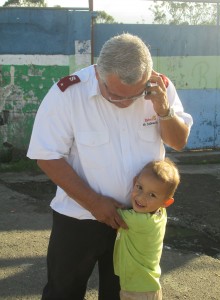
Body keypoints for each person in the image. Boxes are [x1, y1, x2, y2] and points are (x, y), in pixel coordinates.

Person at [27, 33, 193, 299]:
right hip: (78, 218)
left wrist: (164, 110)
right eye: (115, 95)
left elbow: (179, 141)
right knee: (63, 292)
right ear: (98, 73)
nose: (125, 103)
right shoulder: (69, 94)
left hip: (136, 221)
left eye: (135, 95)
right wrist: (93, 202)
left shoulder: (160, 88)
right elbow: (46, 155)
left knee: (124, 294)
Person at [113, 158, 180, 300]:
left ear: (166, 202)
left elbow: (108, 212)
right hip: (149, 286)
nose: (141, 197)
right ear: (134, 182)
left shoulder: (137, 220)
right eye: (140, 187)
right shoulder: (161, 213)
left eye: (152, 195)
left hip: (137, 290)